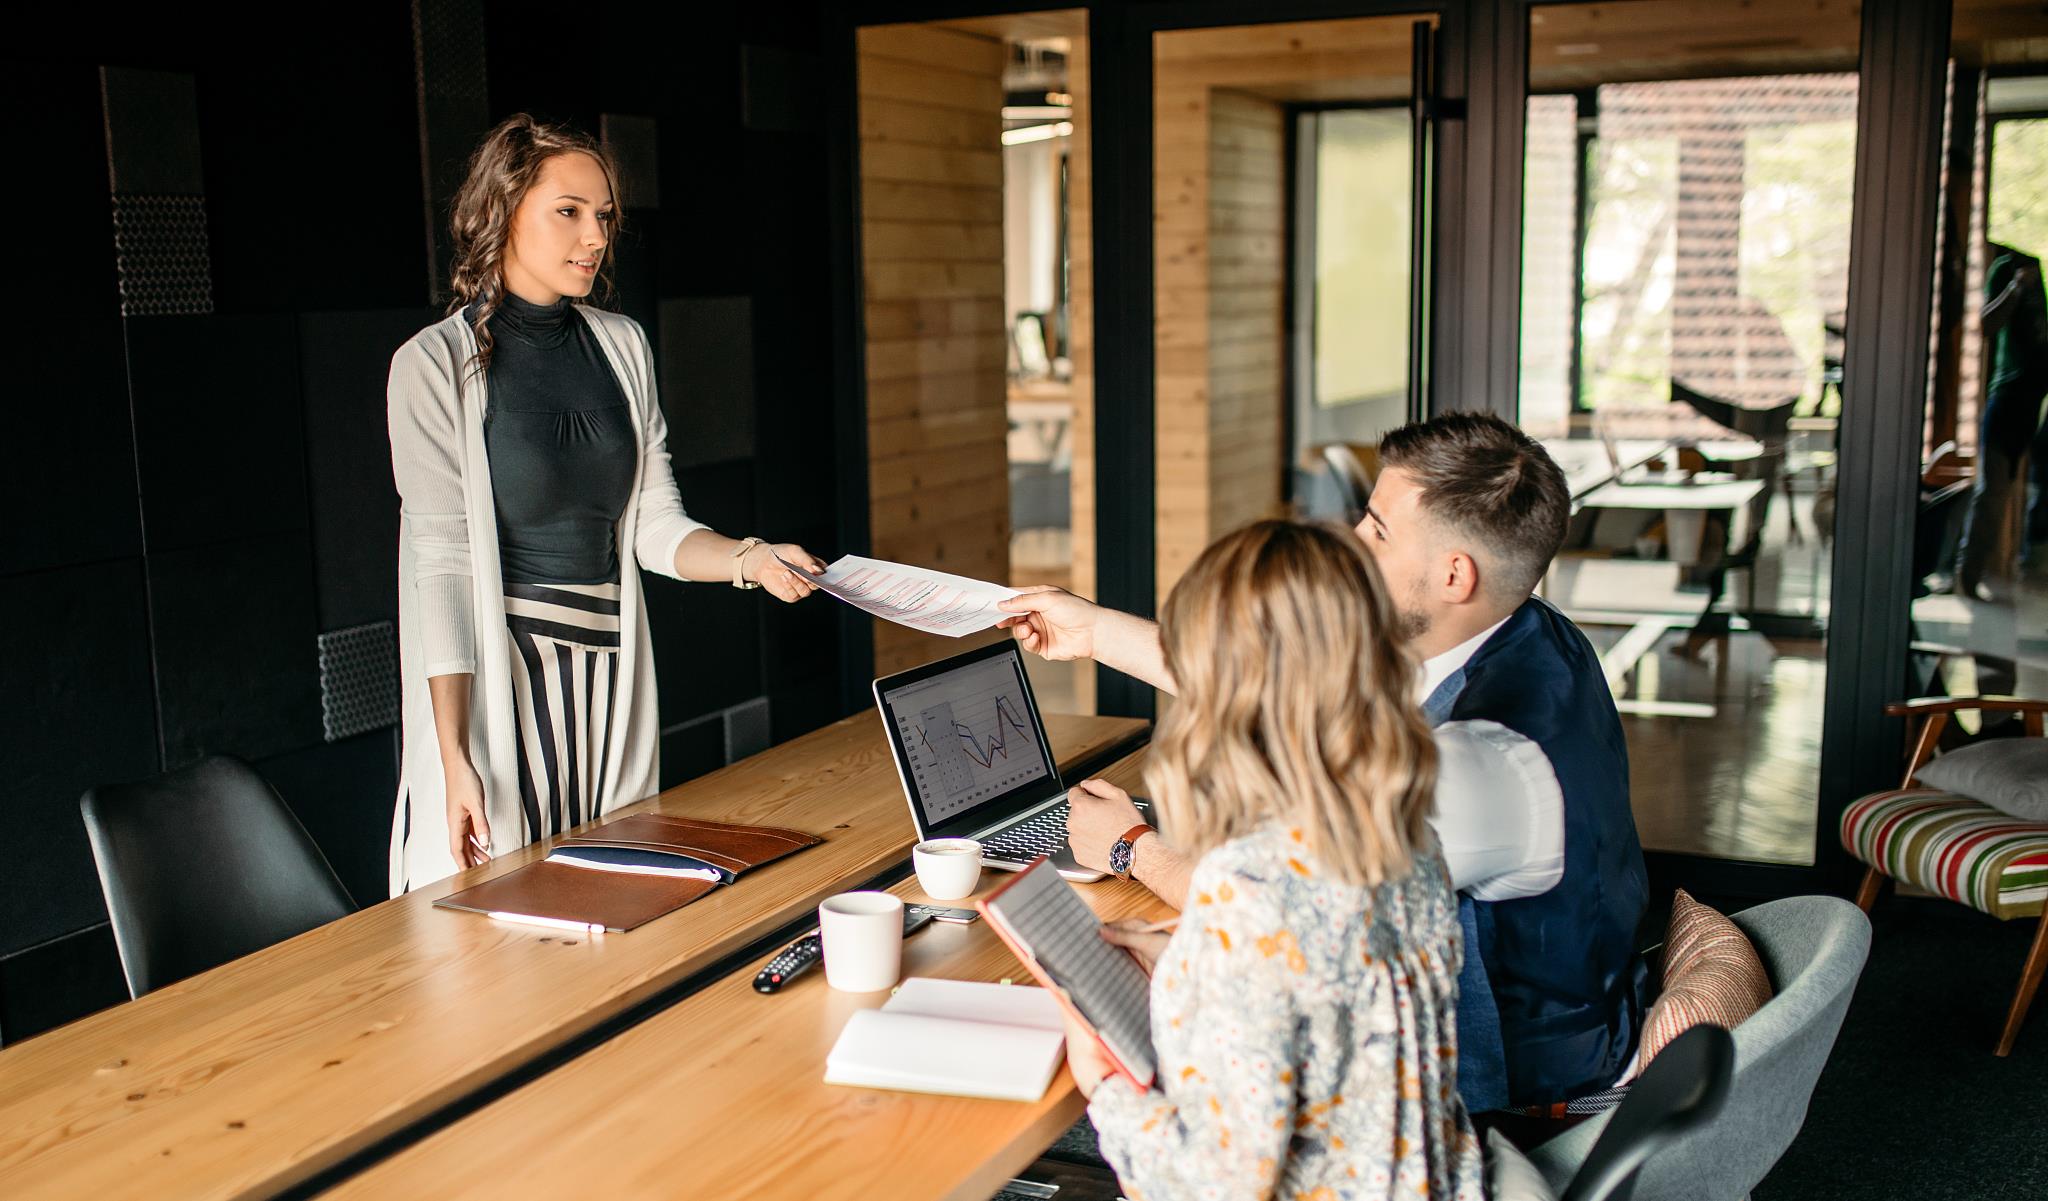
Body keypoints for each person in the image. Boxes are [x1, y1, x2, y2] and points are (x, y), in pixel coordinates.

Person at [1002, 412, 1649, 1117]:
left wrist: (1130, 847)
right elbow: (1288, 695)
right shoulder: (1520, 629)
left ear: (1453, 575)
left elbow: (1274, 920)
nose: (1352, 544)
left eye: (1376, 530)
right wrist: (1091, 629)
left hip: (1487, 1107)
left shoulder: (1469, 773)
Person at [386, 114, 824, 894]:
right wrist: (450, 753)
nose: (595, 235)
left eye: (605, 216)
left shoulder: (622, 346)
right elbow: (442, 568)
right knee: (501, 927)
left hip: (609, 673)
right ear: (503, 209)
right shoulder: (430, 366)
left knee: (616, 897)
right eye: (569, 211)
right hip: (498, 684)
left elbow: (656, 522)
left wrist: (751, 559)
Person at [1064, 519, 1485, 1201]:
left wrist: (1103, 1086)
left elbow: (1219, 1184)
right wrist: (1197, 957)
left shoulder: (1253, 888)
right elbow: (1326, 993)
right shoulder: (1407, 842)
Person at [1958, 240, 2048, 591]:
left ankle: (2029, 565)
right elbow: (1985, 324)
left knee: (2036, 489)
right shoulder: (2011, 268)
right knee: (1993, 493)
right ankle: (1969, 574)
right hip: (2010, 399)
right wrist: (2014, 288)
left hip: (2038, 403)